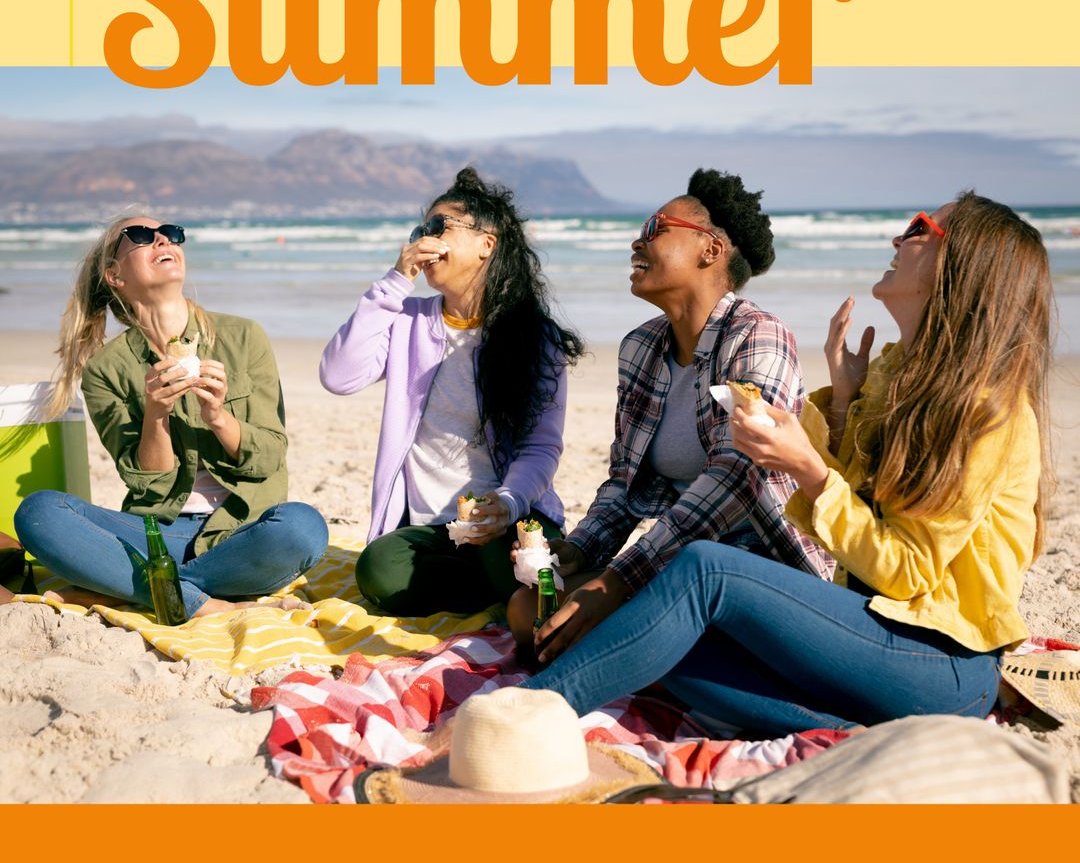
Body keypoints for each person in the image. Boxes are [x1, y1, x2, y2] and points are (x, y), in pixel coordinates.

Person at [522, 193, 1050, 736]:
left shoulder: (987, 409)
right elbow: (869, 528)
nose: (898, 239)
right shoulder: (900, 376)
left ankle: (527, 713)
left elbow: (907, 572)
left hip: (941, 661)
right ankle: (845, 731)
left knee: (707, 571)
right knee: (661, 639)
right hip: (866, 634)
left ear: (963, 264)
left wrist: (811, 473)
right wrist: (843, 405)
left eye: (918, 229)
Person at [508, 169, 832, 652]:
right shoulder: (639, 348)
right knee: (530, 607)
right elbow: (624, 482)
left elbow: (738, 476)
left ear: (711, 250)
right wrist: (580, 549)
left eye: (655, 229)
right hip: (674, 558)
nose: (636, 244)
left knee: (594, 620)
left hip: (762, 563)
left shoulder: (758, 336)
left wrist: (616, 581)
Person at [12, 216, 328, 618]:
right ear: (115, 275)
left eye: (172, 233)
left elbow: (269, 458)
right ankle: (203, 603)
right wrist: (156, 416)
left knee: (303, 528)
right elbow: (145, 483)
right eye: (142, 236)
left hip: (244, 531)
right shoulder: (105, 370)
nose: (163, 238)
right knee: (38, 513)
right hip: (157, 533)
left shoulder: (244, 336)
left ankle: (145, 587)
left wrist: (218, 416)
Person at [320, 168, 584, 616]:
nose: (426, 237)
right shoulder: (406, 319)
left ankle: (517, 581)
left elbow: (541, 446)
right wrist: (394, 282)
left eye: (440, 226)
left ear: (487, 244)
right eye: (421, 229)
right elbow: (338, 376)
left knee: (510, 561)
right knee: (378, 570)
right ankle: (503, 592)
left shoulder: (535, 337)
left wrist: (505, 503)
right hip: (432, 528)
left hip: (508, 514)